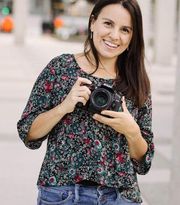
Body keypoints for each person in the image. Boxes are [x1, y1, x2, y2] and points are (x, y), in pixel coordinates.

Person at [17, 0, 155, 204]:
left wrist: (131, 131)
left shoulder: (136, 82)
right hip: (63, 195)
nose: (114, 35)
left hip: (120, 197)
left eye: (125, 29)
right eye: (108, 24)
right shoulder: (61, 68)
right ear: (92, 23)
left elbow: (143, 162)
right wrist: (64, 107)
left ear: (132, 37)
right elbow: (28, 133)